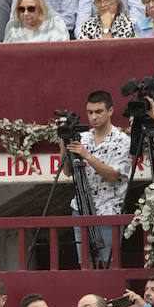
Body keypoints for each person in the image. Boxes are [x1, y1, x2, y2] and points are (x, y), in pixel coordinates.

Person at [60, 89, 130, 266]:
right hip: (81, 209)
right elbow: (67, 171)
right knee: (85, 265)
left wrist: (87, 155)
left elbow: (113, 176)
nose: (94, 117)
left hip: (109, 210)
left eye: (99, 112)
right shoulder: (82, 138)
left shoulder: (122, 140)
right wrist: (63, 139)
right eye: (90, 112)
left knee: (107, 264)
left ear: (111, 111)